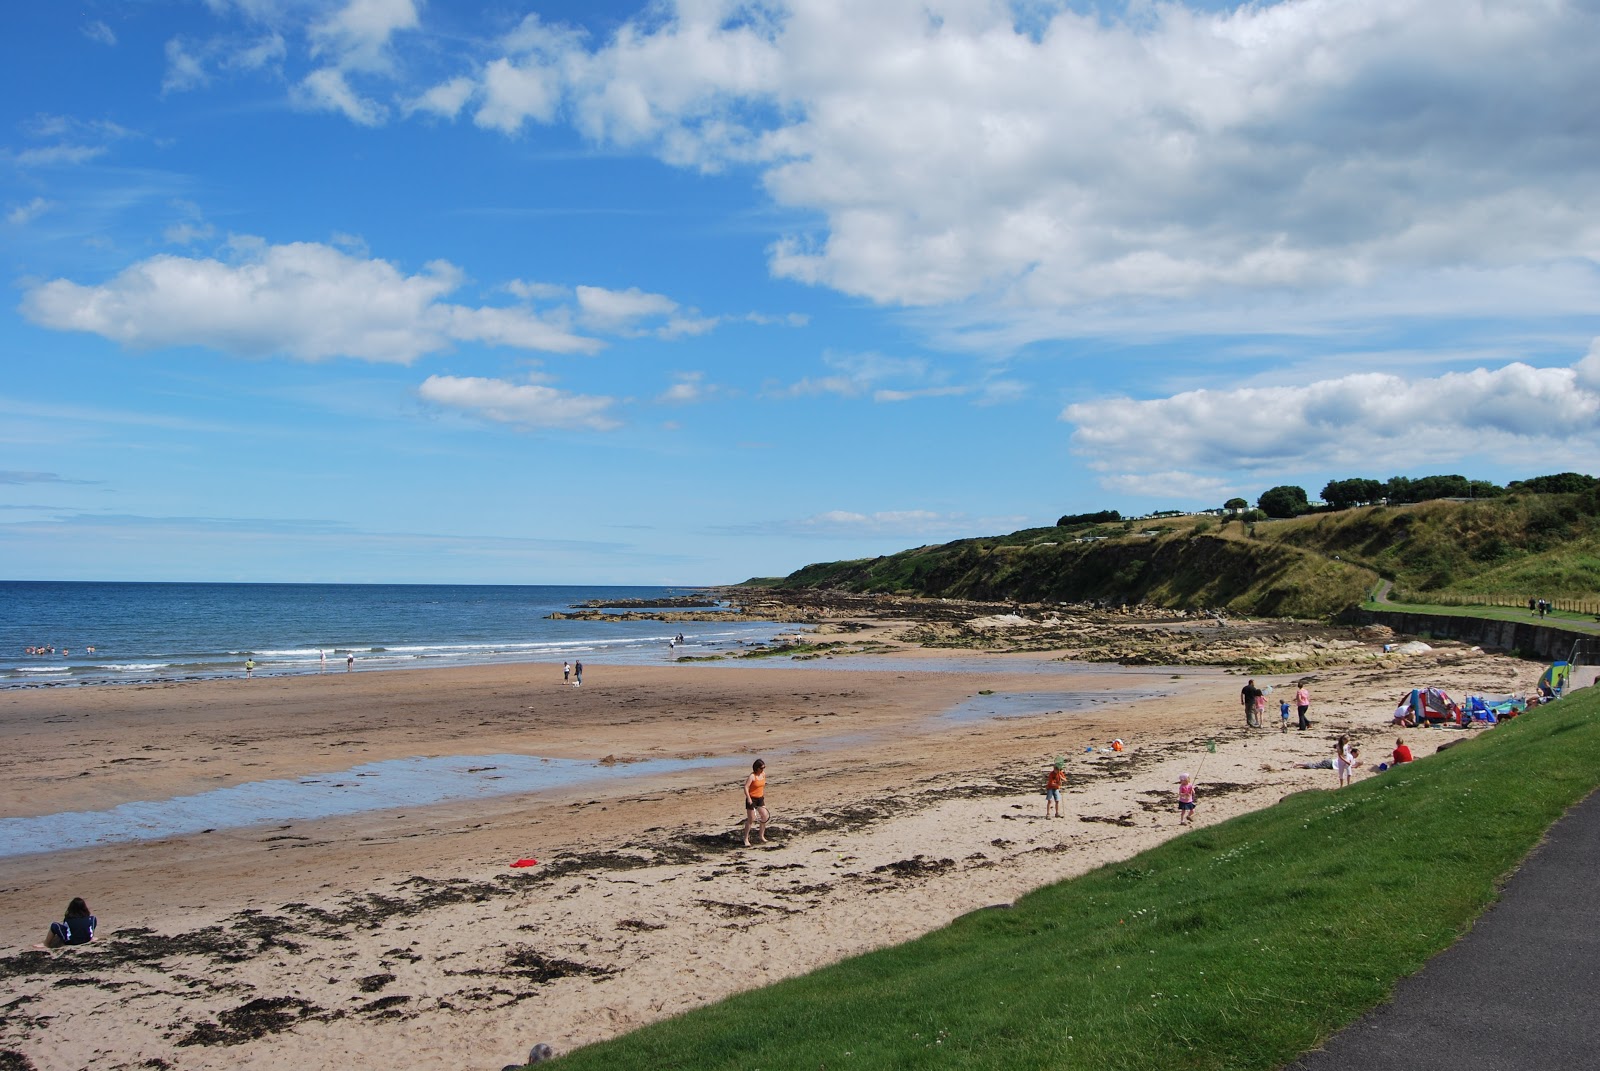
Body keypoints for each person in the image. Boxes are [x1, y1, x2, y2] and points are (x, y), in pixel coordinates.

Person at [743, 759, 769, 846]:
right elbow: (746, 787)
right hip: (752, 799)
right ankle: (746, 838)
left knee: (765, 816)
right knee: (751, 819)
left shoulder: (763, 774)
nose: (763, 770)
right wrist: (749, 798)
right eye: (761, 768)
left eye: (764, 768)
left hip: (760, 799)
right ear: (757, 768)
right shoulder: (752, 776)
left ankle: (761, 836)